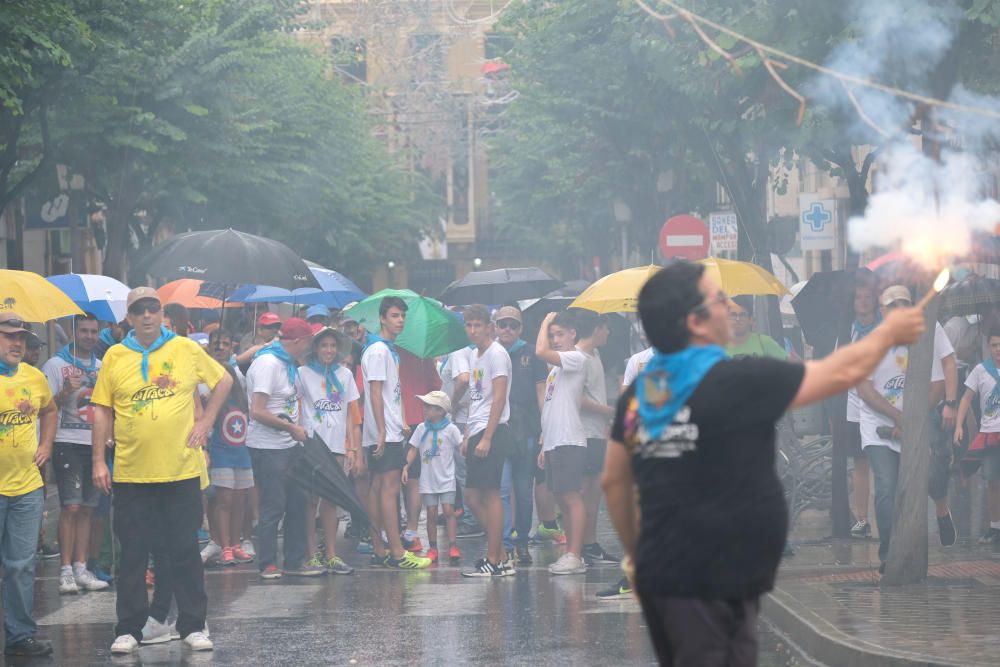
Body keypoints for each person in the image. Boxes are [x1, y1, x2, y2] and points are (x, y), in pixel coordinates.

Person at [602, 261, 924, 666]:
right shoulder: (739, 380)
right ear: (695, 321)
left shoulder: (645, 392)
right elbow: (835, 373)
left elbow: (615, 481)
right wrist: (888, 336)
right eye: (719, 301)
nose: (729, 307)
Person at [91, 287, 231, 654]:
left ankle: (192, 625)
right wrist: (95, 461)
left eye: (154, 309)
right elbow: (102, 408)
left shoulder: (185, 348)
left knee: (184, 549)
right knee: (134, 553)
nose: (148, 315)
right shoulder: (115, 356)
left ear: (161, 313)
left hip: (180, 470)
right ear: (130, 318)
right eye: (140, 310)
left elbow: (224, 380)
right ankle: (129, 629)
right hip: (131, 472)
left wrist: (207, 423)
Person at [857, 285, 959, 572]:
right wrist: (897, 417)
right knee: (887, 486)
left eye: (904, 304)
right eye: (892, 306)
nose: (899, 310)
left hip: (919, 419)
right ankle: (889, 555)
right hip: (878, 424)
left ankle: (941, 512)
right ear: (883, 312)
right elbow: (864, 389)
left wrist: (914, 418)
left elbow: (939, 381)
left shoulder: (927, 332)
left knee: (933, 475)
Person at [245, 317, 324, 579]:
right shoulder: (269, 364)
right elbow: (256, 411)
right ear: (300, 341)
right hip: (268, 447)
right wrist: (290, 428)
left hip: (290, 445)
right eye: (310, 341)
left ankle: (294, 560)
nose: (311, 346)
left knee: (298, 502)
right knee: (273, 505)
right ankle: (267, 562)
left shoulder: (289, 364)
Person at [0, 313, 56, 657]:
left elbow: (49, 411)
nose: (17, 344)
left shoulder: (34, 377)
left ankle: (20, 635)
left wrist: (46, 445)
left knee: (22, 565)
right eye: (8, 337)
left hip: (26, 488)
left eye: (21, 338)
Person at [41, 313, 110, 594]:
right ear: (73, 332)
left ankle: (82, 568)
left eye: (94, 332)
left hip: (94, 444)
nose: (89, 336)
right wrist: (64, 393)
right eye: (84, 331)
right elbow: (44, 408)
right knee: (70, 506)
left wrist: (109, 437)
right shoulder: (56, 365)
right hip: (66, 441)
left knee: (88, 509)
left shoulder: (104, 366)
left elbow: (108, 407)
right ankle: (65, 570)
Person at [361, 296, 431, 569]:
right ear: (382, 318)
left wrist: (401, 420)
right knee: (388, 490)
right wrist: (381, 431)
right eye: (394, 315)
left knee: (379, 489)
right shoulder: (378, 350)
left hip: (390, 428)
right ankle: (398, 552)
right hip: (383, 432)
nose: (399, 320)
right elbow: (376, 393)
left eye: (402, 315)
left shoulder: (388, 350)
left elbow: (393, 394)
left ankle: (380, 547)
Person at [297, 327, 361, 574]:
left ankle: (332, 554)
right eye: (324, 345)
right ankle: (312, 554)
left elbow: (349, 415)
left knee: (332, 501)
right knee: (311, 500)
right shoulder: (302, 374)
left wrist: (352, 448)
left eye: (333, 346)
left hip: (337, 446)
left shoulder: (344, 375)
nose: (329, 350)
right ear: (316, 348)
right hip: (312, 444)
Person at [460, 304, 513, 578]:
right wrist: (468, 433)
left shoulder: (497, 354)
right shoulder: (473, 355)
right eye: (468, 325)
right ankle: (501, 554)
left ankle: (495, 559)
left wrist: (488, 437)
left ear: (488, 327)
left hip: (494, 429)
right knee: (470, 496)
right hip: (477, 429)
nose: (472, 330)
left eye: (477, 325)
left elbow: (499, 397)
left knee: (491, 493)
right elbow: (475, 398)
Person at [494, 305, 547, 565]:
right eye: (503, 324)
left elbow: (541, 392)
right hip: (500, 429)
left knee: (524, 493)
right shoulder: (490, 353)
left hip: (526, 428)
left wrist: (545, 429)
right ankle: (504, 544)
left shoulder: (532, 354)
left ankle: (522, 541)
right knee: (502, 491)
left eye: (513, 325)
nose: (507, 329)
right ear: (495, 326)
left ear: (521, 329)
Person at [536, 310, 589, 575]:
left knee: (571, 496)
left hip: (569, 439)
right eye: (552, 335)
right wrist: (544, 442)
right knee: (559, 496)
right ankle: (571, 553)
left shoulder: (576, 358)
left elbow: (540, 352)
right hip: (554, 439)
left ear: (573, 334)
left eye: (559, 334)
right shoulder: (556, 369)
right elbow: (550, 405)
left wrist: (545, 322)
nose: (555, 339)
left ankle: (576, 554)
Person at [202, 329, 255, 567]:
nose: (220, 347)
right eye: (216, 343)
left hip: (240, 452)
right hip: (219, 450)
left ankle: (235, 543)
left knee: (240, 500)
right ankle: (223, 545)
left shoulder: (240, 387)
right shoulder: (202, 378)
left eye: (225, 343)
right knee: (221, 499)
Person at [574, 310, 620, 565]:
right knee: (582, 492)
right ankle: (578, 546)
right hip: (583, 432)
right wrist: (609, 411)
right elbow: (578, 399)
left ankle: (590, 543)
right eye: (606, 328)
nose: (608, 333)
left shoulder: (596, 355)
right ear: (596, 329)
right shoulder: (579, 358)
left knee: (593, 492)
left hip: (597, 431)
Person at [403, 391, 463, 564]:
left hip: (446, 479)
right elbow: (413, 448)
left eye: (428, 407)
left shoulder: (450, 429)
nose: (425, 410)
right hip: (428, 480)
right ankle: (433, 547)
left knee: (449, 511)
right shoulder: (422, 428)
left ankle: (453, 545)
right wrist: (406, 465)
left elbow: (460, 445)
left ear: (440, 411)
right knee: (431, 513)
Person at [841, 280, 880, 538]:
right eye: (859, 297)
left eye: (868, 296)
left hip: (882, 403)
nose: (863, 301)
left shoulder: (885, 328)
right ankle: (862, 518)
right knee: (860, 462)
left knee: (886, 460)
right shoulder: (846, 332)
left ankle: (888, 515)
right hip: (854, 405)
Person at [955, 330, 1000, 544]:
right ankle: (995, 526)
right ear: (989, 347)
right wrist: (958, 426)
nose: (998, 349)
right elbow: (966, 398)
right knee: (992, 480)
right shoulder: (981, 371)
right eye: (994, 345)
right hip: (990, 434)